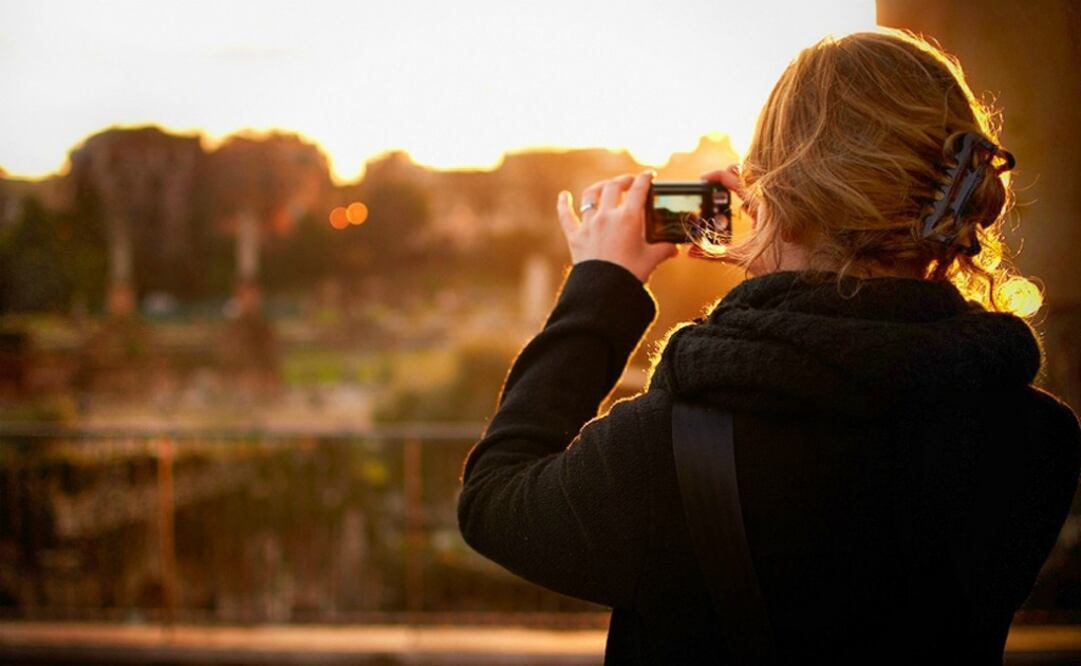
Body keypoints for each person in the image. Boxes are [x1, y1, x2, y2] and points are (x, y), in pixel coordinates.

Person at [456, 28, 1081, 664]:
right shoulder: (1039, 443)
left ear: (777, 195)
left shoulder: (664, 448)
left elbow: (493, 499)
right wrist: (781, 240)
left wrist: (604, 287)